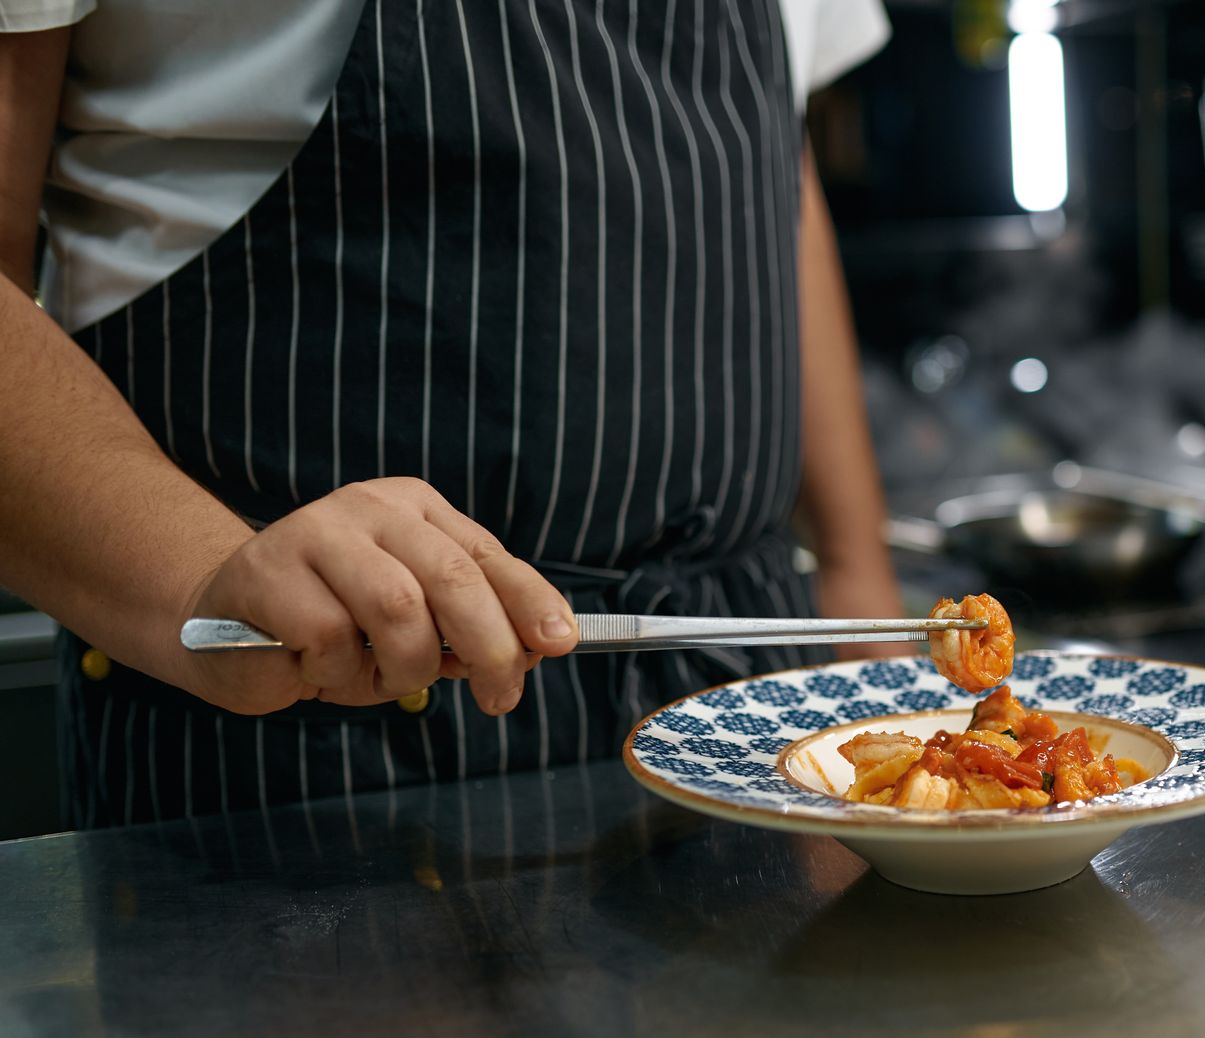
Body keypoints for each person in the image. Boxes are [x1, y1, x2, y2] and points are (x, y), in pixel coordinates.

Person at [0, 0, 906, 826]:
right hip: (312, 732)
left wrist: (856, 577)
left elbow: (767, 163)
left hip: (747, 708)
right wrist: (202, 583)